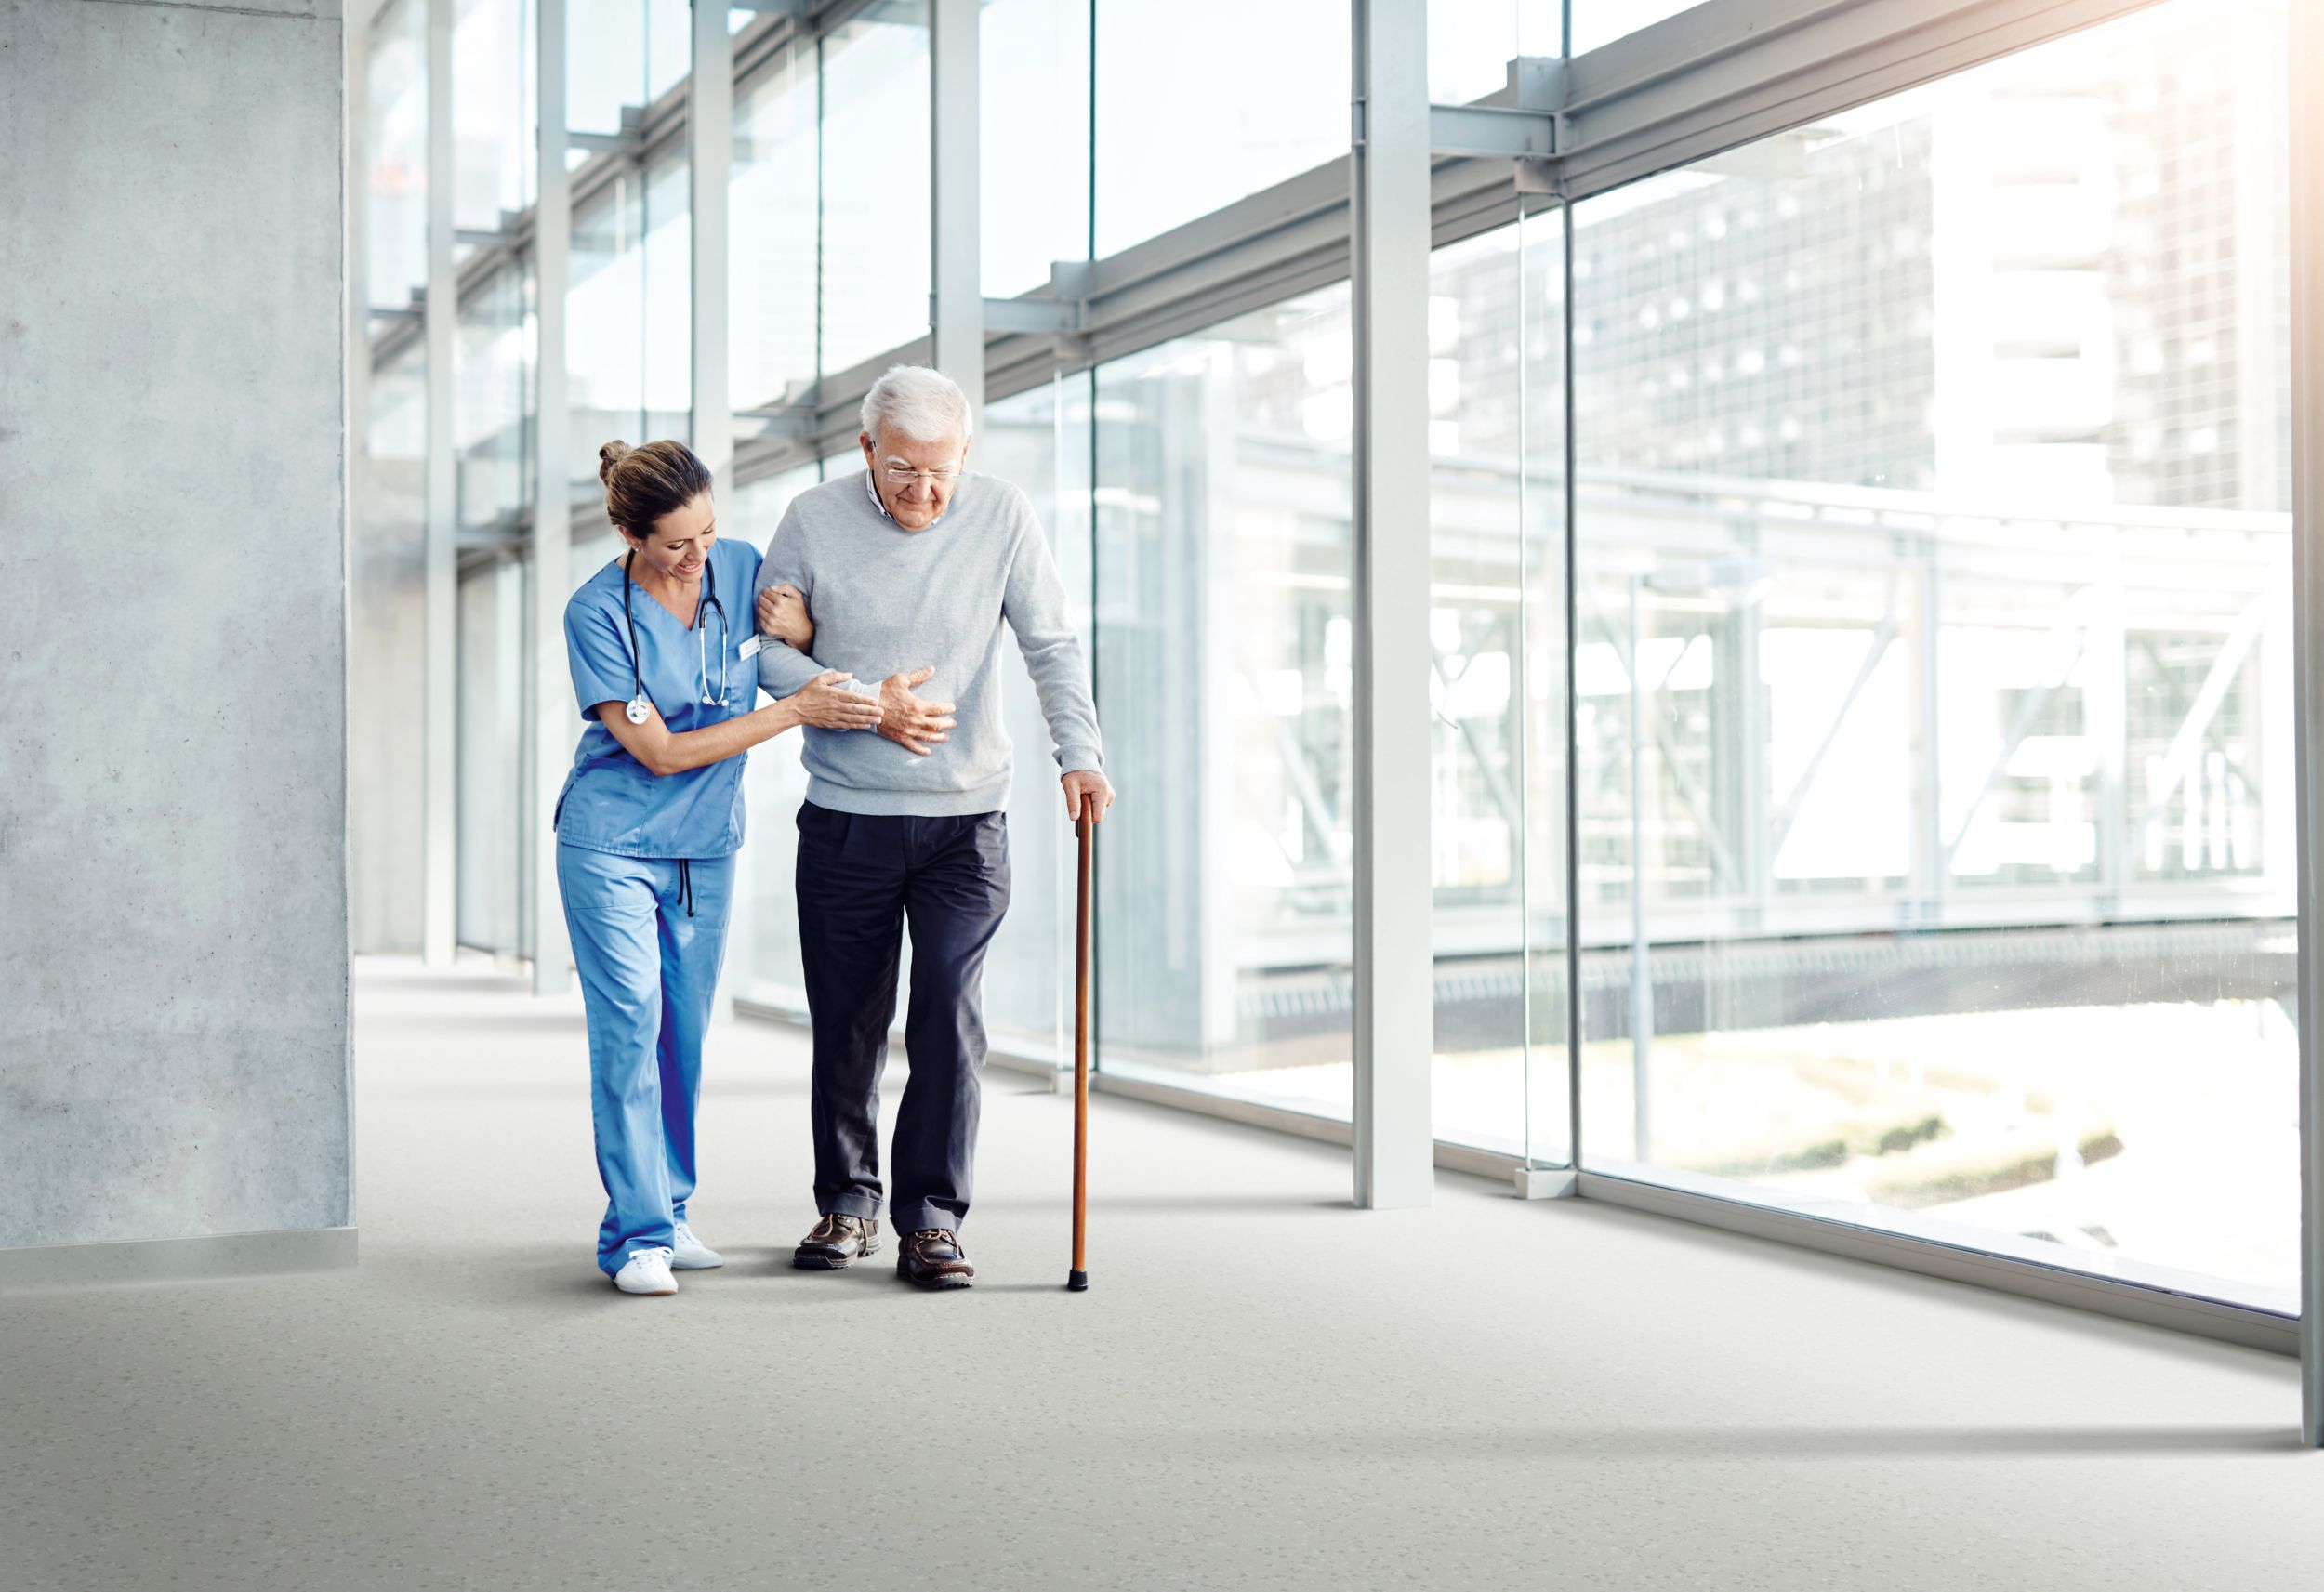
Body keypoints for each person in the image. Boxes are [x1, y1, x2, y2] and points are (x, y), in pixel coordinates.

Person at [754, 365, 1114, 1290]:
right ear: (866, 449)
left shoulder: (1000, 516)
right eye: (903, 468)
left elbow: (1050, 643)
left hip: (966, 825)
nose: (924, 491)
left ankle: (932, 1220)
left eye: (941, 469)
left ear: (966, 455)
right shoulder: (811, 519)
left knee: (949, 1019)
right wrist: (869, 707)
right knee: (848, 1026)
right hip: (845, 821)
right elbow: (764, 657)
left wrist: (1081, 752)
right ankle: (847, 1205)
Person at [557, 439, 880, 1296]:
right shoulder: (596, 613)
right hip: (612, 843)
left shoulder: (737, 566)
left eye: (706, 532)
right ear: (629, 533)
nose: (698, 556)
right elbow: (658, 751)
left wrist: (808, 643)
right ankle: (634, 1238)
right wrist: (795, 714)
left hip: (705, 845)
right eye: (675, 543)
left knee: (682, 1037)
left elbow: (790, 640)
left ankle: (669, 1204)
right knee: (630, 1022)